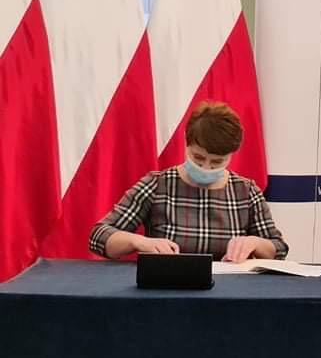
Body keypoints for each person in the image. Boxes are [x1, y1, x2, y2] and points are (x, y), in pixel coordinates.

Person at [90, 102, 288, 262]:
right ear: (187, 142)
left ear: (231, 155)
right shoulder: (157, 184)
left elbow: (278, 249)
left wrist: (255, 243)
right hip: (169, 289)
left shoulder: (246, 191)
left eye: (217, 162)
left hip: (228, 291)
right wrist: (139, 242)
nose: (206, 167)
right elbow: (99, 237)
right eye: (198, 157)